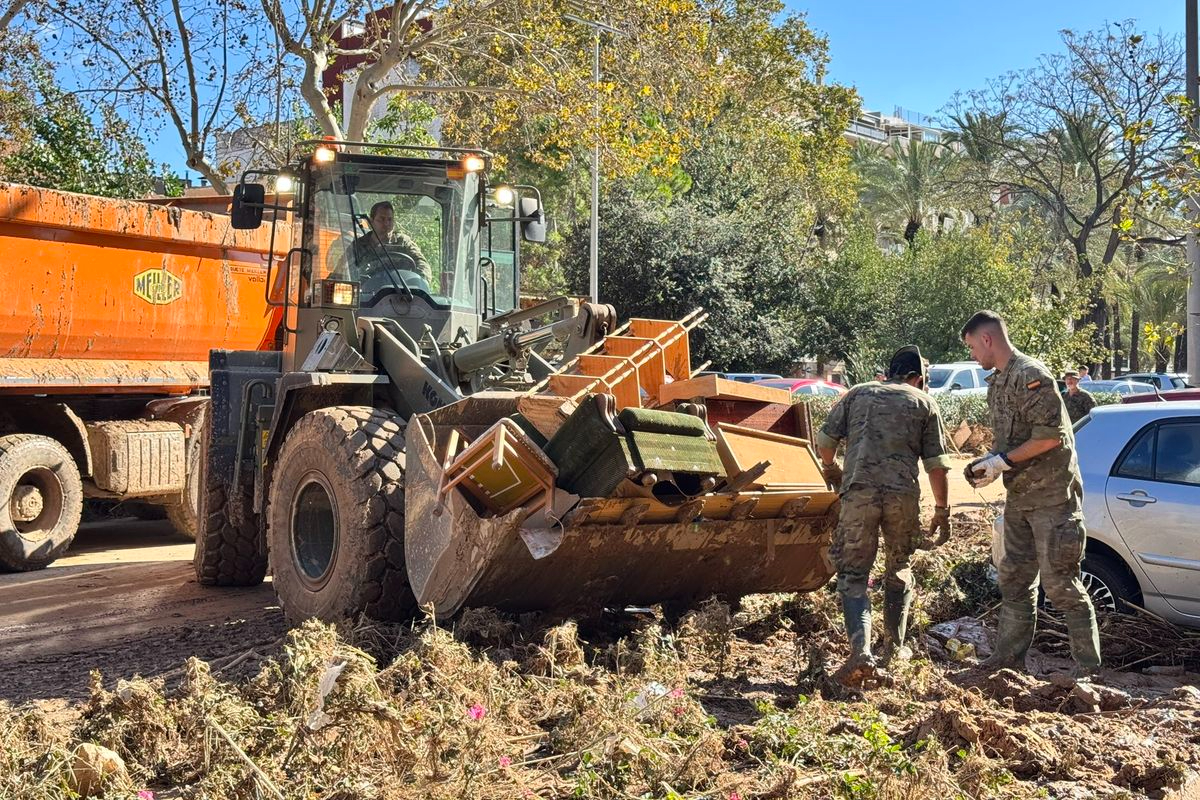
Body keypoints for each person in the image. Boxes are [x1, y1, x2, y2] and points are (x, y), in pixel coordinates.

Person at [960, 310, 1100, 677]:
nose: (973, 355)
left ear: (987, 339)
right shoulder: (1000, 382)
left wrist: (1002, 461)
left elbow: (1050, 437)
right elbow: (1015, 443)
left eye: (973, 347)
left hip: (1052, 499)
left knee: (1062, 586)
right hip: (1020, 497)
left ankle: (1088, 671)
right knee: (1014, 581)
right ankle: (1007, 662)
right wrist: (989, 464)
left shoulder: (1031, 376)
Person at [816, 345, 953, 686]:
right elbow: (936, 466)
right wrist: (942, 511)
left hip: (858, 495)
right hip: (901, 499)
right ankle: (895, 650)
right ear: (918, 378)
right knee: (900, 567)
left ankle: (860, 652)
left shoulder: (857, 394)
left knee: (853, 575)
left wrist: (831, 468)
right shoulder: (923, 403)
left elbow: (824, 441)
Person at [349, 201, 433, 284]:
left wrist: (420, 283)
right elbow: (343, 270)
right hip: (369, 294)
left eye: (390, 219)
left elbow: (422, 263)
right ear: (371, 221)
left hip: (400, 293)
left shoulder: (403, 242)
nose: (386, 223)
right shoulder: (359, 245)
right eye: (381, 219)